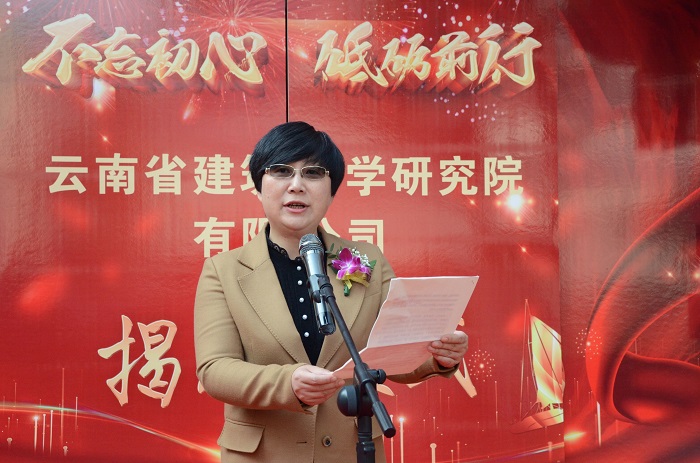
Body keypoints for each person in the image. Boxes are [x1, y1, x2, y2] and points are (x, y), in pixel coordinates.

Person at [194, 121, 469, 463]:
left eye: (313, 173)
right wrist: (287, 382)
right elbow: (215, 369)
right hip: (261, 455)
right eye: (281, 171)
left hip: (350, 450)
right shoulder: (223, 271)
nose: (296, 185)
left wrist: (438, 355)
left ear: (332, 191)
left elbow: (390, 353)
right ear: (259, 188)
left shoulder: (366, 261)